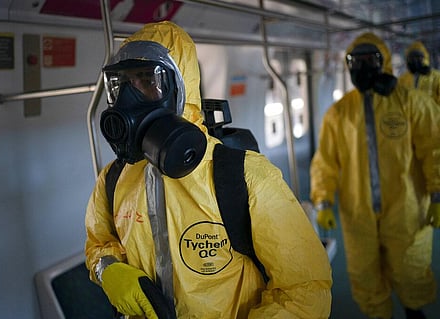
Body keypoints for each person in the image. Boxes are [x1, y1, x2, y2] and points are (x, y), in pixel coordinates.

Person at [85, 21, 332, 318]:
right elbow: (99, 244)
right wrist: (107, 270)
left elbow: (305, 290)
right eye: (121, 85)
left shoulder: (243, 176)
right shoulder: (112, 180)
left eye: (147, 82)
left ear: (181, 87)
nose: (128, 101)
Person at [310, 32, 440, 319]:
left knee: (411, 270)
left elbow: (434, 148)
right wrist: (322, 201)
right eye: (356, 61)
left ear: (384, 63)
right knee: (364, 274)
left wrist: (437, 194)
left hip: (407, 207)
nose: (363, 67)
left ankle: (413, 311)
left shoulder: (411, 102)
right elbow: (325, 161)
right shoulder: (339, 113)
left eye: (370, 60)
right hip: (358, 214)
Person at [398, 40, 440, 105]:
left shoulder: (437, 77)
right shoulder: (402, 80)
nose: (415, 61)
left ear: (425, 58)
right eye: (411, 58)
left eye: (418, 57)